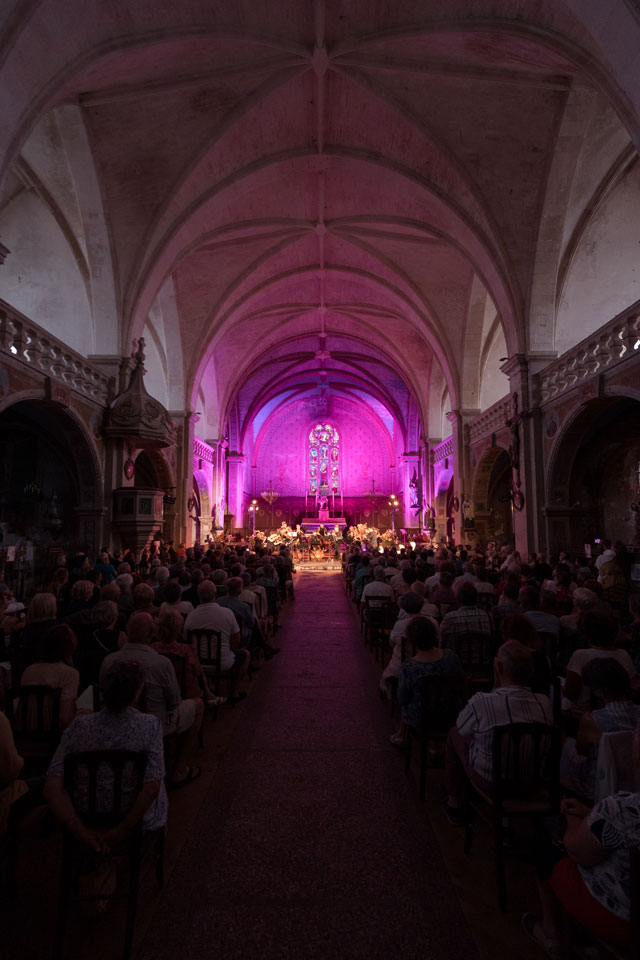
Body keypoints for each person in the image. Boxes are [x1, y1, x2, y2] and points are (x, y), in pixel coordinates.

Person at [523, 722, 640, 956]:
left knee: (548, 839)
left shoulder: (624, 808)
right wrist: (593, 815)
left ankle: (551, 932)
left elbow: (575, 849)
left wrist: (572, 818)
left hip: (622, 920)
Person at [45, 659, 167, 852]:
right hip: (132, 817)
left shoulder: (79, 727)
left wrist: (81, 831)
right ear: (136, 693)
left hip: (85, 815)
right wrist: (122, 829)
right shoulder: (149, 726)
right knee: (159, 778)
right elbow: (152, 788)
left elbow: (52, 787)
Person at [443, 641, 553, 824]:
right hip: (532, 780)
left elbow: (462, 728)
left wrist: (496, 682)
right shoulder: (545, 703)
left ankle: (454, 801)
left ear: (499, 667)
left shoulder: (483, 703)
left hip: (491, 779)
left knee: (455, 733)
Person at [100, 612, 203, 787]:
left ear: (126, 632)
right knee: (199, 705)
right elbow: (174, 702)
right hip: (158, 724)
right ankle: (179, 768)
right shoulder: (160, 663)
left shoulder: (109, 660)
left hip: (114, 723)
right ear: (151, 634)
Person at [560, 657, 640, 800]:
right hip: (634, 780)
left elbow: (581, 751)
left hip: (602, 781)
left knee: (566, 743)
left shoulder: (591, 719)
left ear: (598, 691)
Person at [393, 615, 463, 743]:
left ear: (412, 640)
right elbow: (460, 683)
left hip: (421, 717)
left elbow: (403, 698)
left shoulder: (409, 666)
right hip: (451, 713)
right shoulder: (451, 657)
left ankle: (402, 737)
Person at [564, 610, 636, 714]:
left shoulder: (580, 655)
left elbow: (570, 693)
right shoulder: (624, 655)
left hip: (581, 714)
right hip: (617, 714)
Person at [183, 581, 250, 693]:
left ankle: (210, 684)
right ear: (215, 594)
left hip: (197, 662)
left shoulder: (191, 615)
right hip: (222, 661)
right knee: (246, 654)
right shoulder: (227, 613)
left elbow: (186, 640)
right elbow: (236, 639)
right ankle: (234, 692)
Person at [151, 609, 224, 706]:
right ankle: (209, 696)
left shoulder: (152, 648)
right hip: (185, 690)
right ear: (178, 629)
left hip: (158, 689)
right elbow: (197, 672)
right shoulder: (186, 650)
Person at [21, 624, 79, 728]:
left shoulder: (29, 670)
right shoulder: (70, 674)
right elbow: (64, 717)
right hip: (54, 733)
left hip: (26, 732)